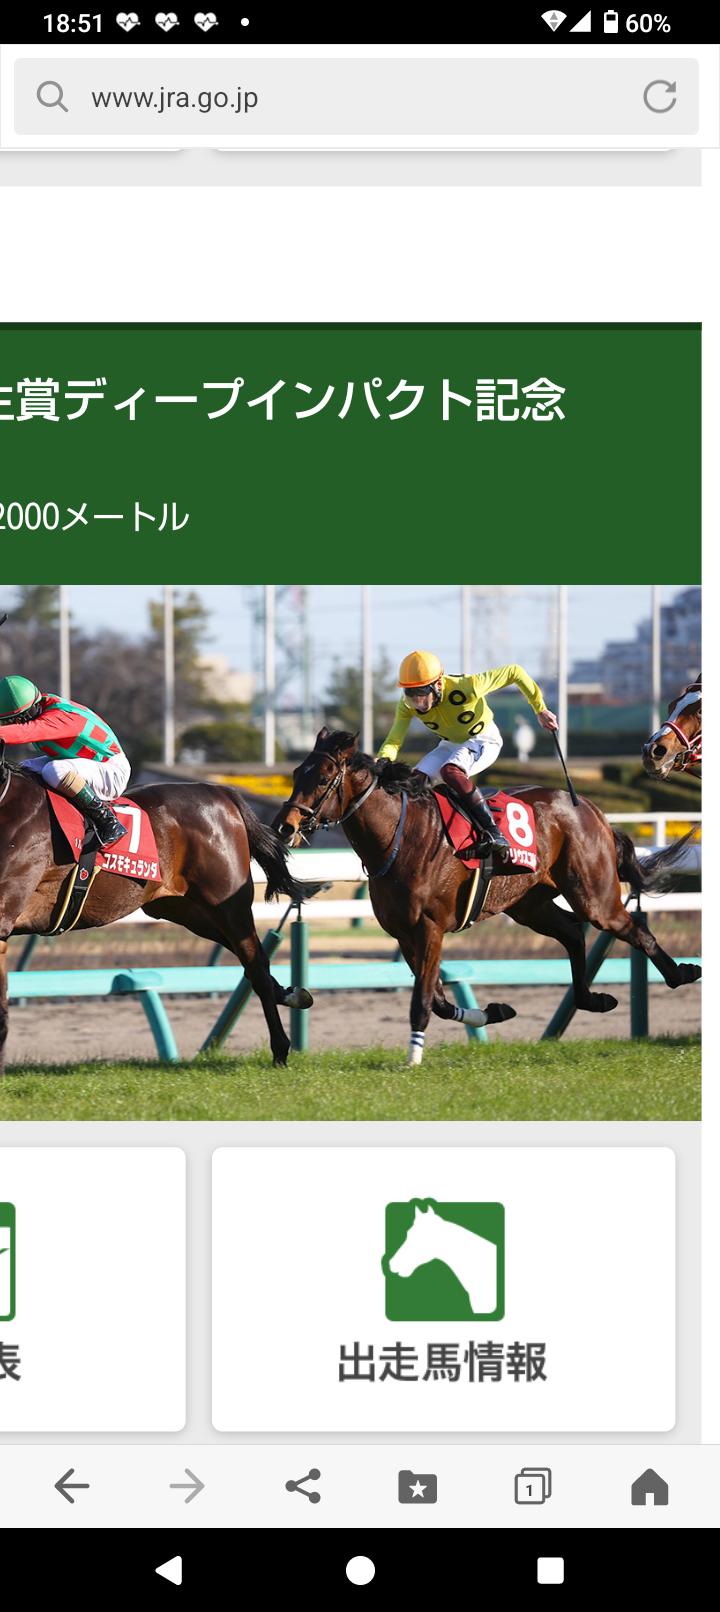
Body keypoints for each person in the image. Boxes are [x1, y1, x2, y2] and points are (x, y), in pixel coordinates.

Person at [377, 650, 559, 867]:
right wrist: (383, 760)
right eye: (411, 695)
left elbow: (515, 672)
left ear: (438, 684)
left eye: (422, 694)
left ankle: (494, 832)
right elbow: (394, 740)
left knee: (450, 771)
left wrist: (540, 709)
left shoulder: (467, 686)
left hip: (483, 739)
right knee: (414, 782)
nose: (418, 703)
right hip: (449, 745)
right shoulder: (406, 705)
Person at [0, 674, 130, 848]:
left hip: (111, 771)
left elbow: (25, 732)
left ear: (35, 704)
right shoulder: (41, 705)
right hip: (79, 760)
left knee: (54, 770)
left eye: (21, 718)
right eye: (10, 721)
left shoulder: (60, 717)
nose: (17, 723)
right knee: (24, 768)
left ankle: (107, 820)